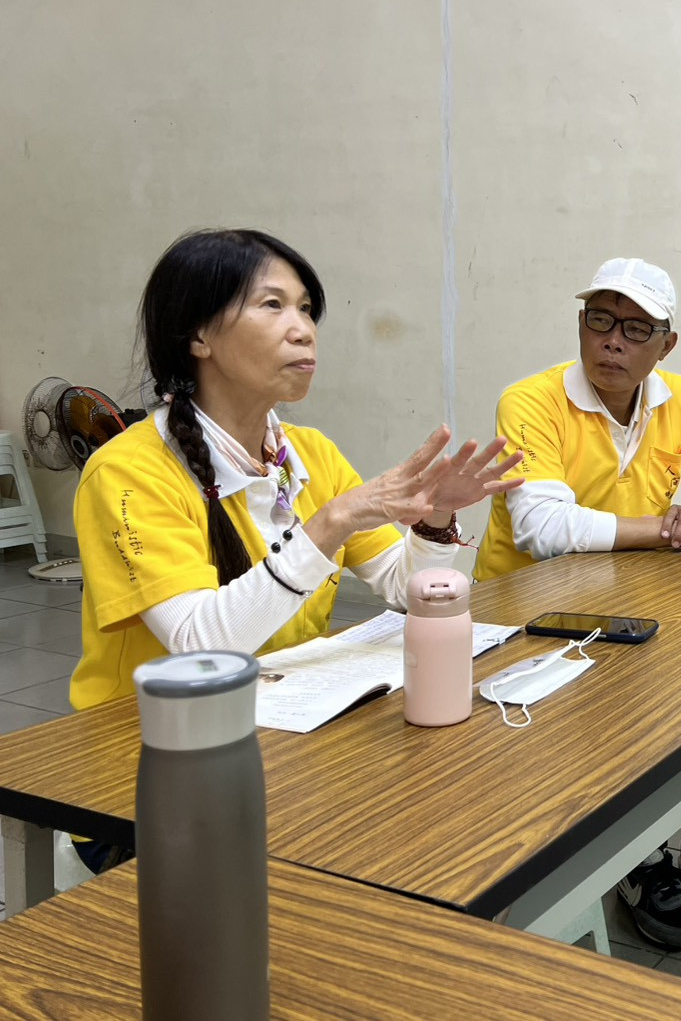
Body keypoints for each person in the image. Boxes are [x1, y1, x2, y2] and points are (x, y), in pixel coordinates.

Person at [70, 228, 523, 871]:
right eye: (272, 305)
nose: (304, 330)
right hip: (145, 772)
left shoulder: (309, 453)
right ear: (198, 337)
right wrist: (332, 522)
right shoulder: (128, 472)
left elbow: (404, 588)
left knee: (455, 822)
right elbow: (201, 645)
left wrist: (436, 518)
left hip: (284, 736)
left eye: (307, 309)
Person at [472, 257, 681, 950]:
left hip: (633, 598)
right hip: (526, 614)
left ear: (665, 345)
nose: (613, 341)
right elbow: (543, 529)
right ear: (581, 326)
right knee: (612, 723)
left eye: (636, 329)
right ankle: (639, 860)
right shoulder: (530, 401)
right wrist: (673, 528)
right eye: (600, 320)